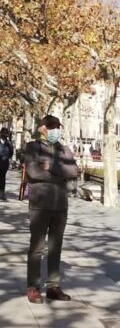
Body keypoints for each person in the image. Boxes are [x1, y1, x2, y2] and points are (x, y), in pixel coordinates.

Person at [22, 116, 80, 303]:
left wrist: (52, 167)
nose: (55, 130)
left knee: (56, 248)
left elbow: (74, 171)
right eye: (52, 127)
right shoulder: (33, 147)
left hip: (60, 205)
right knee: (37, 248)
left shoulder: (64, 149)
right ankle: (33, 286)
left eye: (57, 127)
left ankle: (53, 286)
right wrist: (60, 174)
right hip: (40, 204)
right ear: (43, 128)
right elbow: (33, 172)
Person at [0, 127, 14, 201]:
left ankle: (2, 195)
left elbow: (11, 153)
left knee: (2, 179)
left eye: (6, 135)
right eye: (3, 135)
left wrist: (6, 158)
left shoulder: (9, 143)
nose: (4, 136)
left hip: (4, 164)